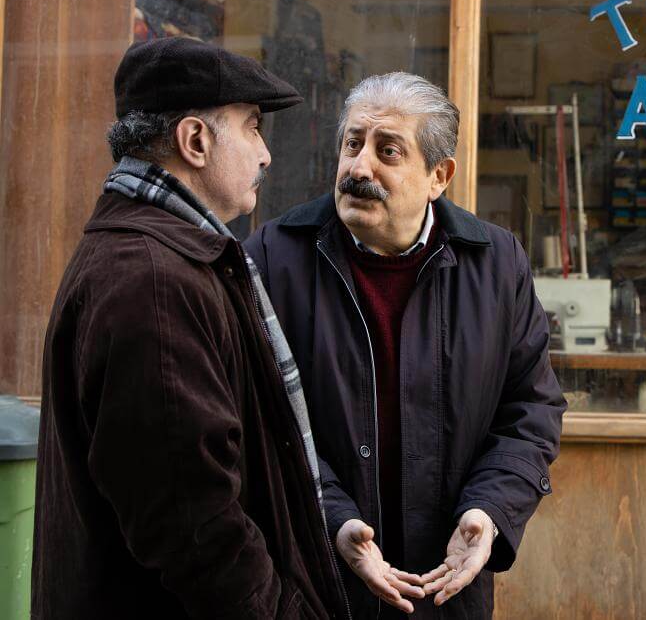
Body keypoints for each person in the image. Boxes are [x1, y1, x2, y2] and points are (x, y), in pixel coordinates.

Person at [32, 37, 350, 619]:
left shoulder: (158, 258)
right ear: (195, 141)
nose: (266, 155)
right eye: (252, 127)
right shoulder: (153, 281)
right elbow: (196, 528)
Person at [245, 72, 565, 618]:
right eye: (352, 144)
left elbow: (531, 411)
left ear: (439, 176)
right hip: (317, 583)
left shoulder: (496, 264)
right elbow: (256, 416)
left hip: (446, 587)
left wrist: (489, 511)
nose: (358, 167)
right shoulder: (274, 258)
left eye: (387, 151)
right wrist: (334, 518)